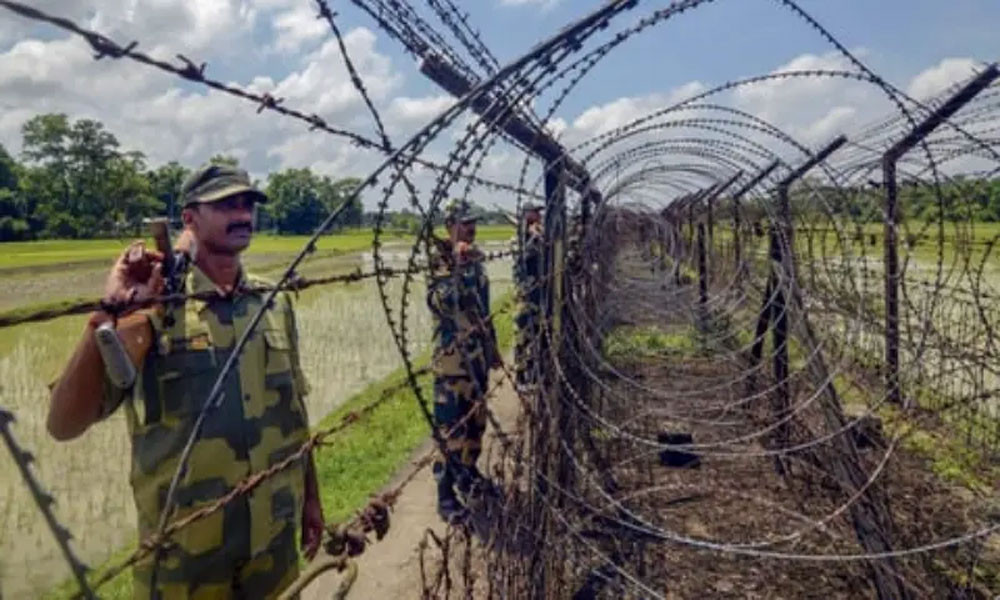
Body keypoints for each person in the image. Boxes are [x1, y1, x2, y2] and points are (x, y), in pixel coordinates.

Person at [47, 163, 324, 599]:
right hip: (185, 561)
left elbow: (294, 410)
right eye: (225, 205)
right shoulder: (156, 308)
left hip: (273, 541)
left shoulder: (273, 302)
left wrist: (311, 498)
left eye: (247, 204)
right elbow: (64, 424)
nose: (242, 215)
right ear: (190, 218)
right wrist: (109, 312)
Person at [427, 201, 501, 523]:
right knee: (451, 430)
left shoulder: (476, 259)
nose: (471, 228)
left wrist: (492, 347)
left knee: (476, 423)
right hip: (452, 364)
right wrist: (455, 265)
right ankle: (445, 496)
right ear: (449, 225)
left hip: (477, 358)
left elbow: (482, 310)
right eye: (464, 222)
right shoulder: (440, 262)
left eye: (473, 222)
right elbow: (442, 303)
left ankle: (469, 476)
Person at [513, 202, 544, 391]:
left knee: (535, 335)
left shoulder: (534, 235)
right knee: (522, 337)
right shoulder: (519, 239)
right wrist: (534, 237)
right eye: (535, 213)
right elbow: (524, 258)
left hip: (536, 294)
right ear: (526, 216)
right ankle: (520, 377)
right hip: (525, 295)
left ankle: (532, 374)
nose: (539, 216)